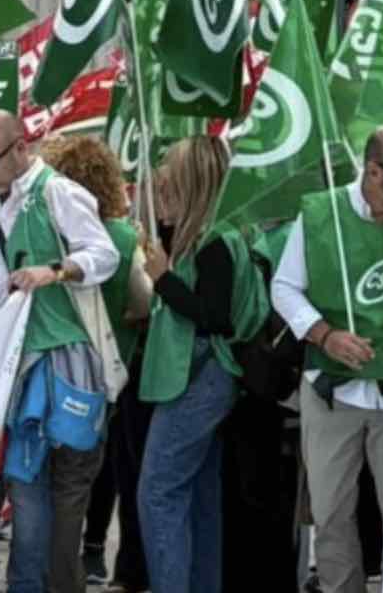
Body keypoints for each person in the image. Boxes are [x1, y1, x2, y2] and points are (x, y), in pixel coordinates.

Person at [0, 110, 125, 593]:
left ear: (20, 147)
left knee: (49, 490)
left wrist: (57, 270)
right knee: (27, 487)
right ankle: (34, 582)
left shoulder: (56, 192)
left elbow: (105, 253)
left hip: (53, 358)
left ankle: (38, 584)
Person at [273, 127, 383, 593]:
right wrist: (324, 334)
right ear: (373, 172)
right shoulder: (320, 212)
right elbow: (284, 286)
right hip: (332, 387)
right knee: (330, 512)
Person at [136, 136, 260, 593]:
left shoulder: (214, 242)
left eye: (171, 175)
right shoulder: (211, 235)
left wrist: (164, 279)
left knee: (158, 493)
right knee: (197, 495)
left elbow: (214, 316)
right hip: (201, 376)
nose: (164, 181)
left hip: (199, 378)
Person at [40, 134, 153, 593]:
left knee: (39, 485)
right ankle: (69, 575)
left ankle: (38, 574)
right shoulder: (126, 238)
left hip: (46, 369)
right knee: (76, 486)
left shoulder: (47, 231)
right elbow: (142, 306)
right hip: (102, 379)